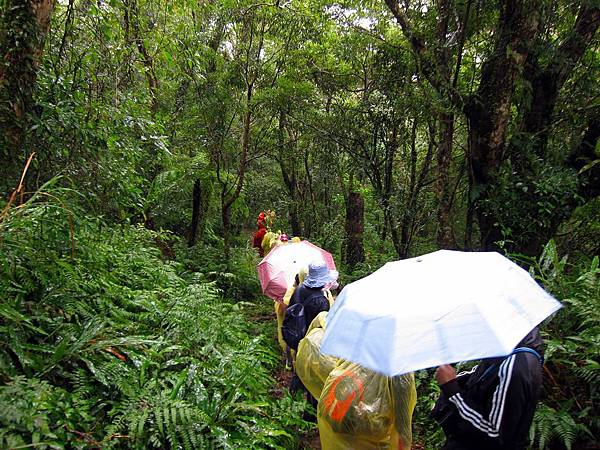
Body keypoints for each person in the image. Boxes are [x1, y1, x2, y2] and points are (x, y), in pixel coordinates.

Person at [432, 327, 545, 450]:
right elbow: (479, 378)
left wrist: (451, 389)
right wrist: (451, 379)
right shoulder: (507, 349)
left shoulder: (514, 366)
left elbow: (494, 435)